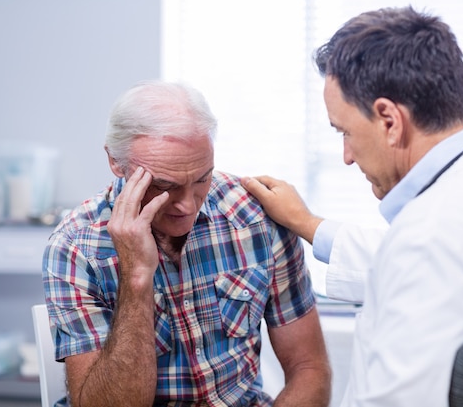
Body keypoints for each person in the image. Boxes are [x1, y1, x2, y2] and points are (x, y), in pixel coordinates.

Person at [241, 6, 463, 407]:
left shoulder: (430, 238)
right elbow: (435, 265)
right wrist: (308, 224)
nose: (345, 155)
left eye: (345, 131)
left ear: (390, 121)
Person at [42, 80, 331, 407]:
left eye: (202, 179)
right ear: (115, 162)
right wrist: (137, 278)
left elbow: (310, 369)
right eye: (164, 185)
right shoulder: (76, 248)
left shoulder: (256, 218)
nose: (188, 206)